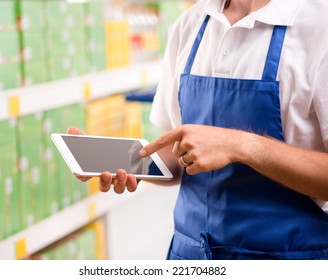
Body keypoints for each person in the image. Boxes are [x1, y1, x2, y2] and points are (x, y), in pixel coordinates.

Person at [69, 0, 328, 259]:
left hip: (287, 257)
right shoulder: (190, 25)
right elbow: (179, 152)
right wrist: (131, 161)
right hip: (191, 255)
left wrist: (243, 146)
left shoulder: (319, 26)